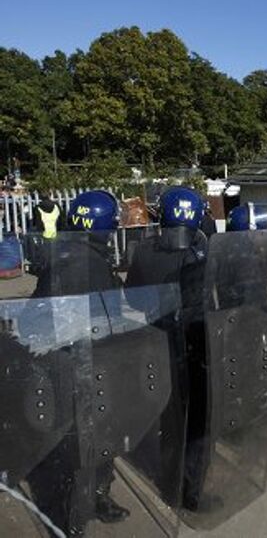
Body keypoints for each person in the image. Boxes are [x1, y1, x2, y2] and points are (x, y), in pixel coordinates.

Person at [26, 190, 129, 536]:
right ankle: (71, 516)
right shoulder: (87, 263)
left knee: (98, 436)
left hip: (81, 361)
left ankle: (97, 497)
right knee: (81, 443)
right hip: (79, 364)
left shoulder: (67, 254)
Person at [125, 186, 209, 512]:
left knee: (170, 417)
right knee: (197, 419)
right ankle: (191, 490)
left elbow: (132, 297)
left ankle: (170, 481)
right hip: (197, 346)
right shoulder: (202, 249)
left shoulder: (145, 252)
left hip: (159, 345)